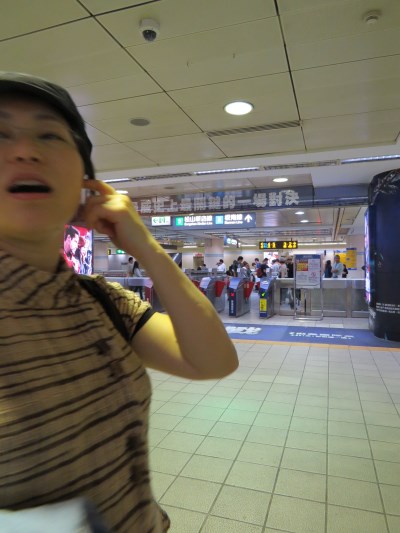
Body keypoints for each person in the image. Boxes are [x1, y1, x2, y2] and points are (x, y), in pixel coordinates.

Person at [0, 72, 238, 532]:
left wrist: (146, 247)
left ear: (86, 185)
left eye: (49, 135)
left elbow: (212, 361)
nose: (25, 150)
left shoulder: (101, 301)